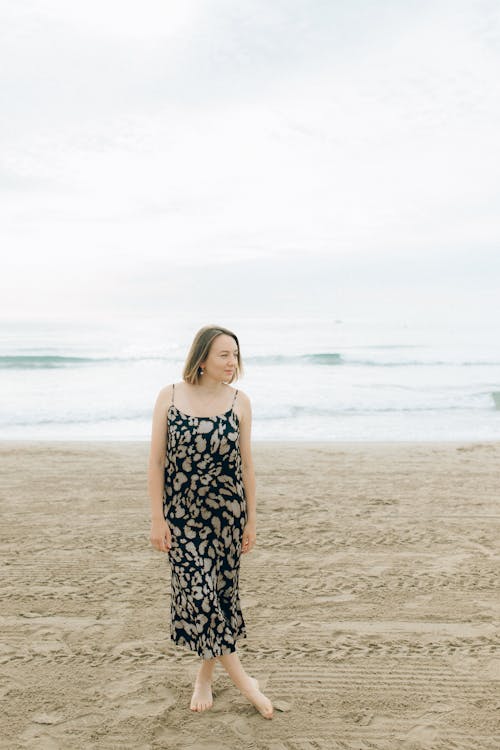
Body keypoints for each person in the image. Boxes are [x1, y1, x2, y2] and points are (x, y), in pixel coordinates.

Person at [148, 324, 274, 719]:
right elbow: (155, 462)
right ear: (201, 358)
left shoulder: (240, 402)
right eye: (223, 355)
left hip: (227, 515)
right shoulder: (169, 396)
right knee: (199, 596)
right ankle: (244, 682)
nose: (232, 362)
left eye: (235, 354)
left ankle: (205, 678)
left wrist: (252, 520)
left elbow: (248, 466)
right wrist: (157, 517)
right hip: (182, 518)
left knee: (218, 597)